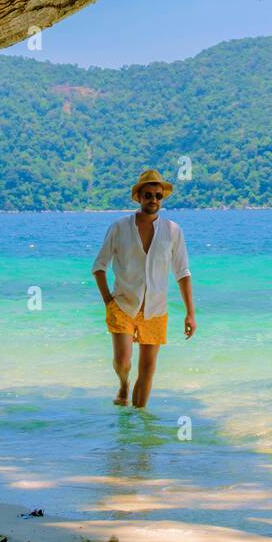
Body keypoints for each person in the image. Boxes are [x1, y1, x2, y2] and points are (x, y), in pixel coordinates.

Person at [91, 169, 196, 409]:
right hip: (123, 304)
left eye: (158, 196)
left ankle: (139, 425)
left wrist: (190, 313)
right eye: (148, 195)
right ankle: (124, 384)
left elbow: (183, 274)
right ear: (138, 197)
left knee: (148, 370)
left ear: (162, 198)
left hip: (156, 309)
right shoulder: (119, 227)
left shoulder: (173, 231)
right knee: (124, 361)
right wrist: (108, 300)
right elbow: (99, 267)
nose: (153, 200)